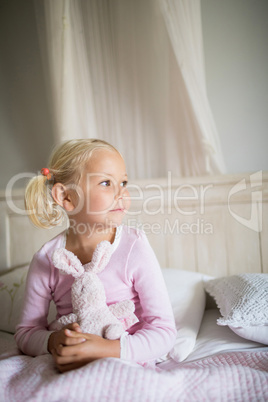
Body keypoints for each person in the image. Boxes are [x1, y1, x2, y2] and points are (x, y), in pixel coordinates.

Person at [15, 139, 176, 372]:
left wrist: (105, 349)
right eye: (106, 182)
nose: (122, 193)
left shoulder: (134, 247)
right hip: (72, 362)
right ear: (66, 197)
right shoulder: (47, 259)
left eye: (123, 182)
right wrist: (53, 342)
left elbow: (164, 331)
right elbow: (26, 332)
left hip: (127, 357)